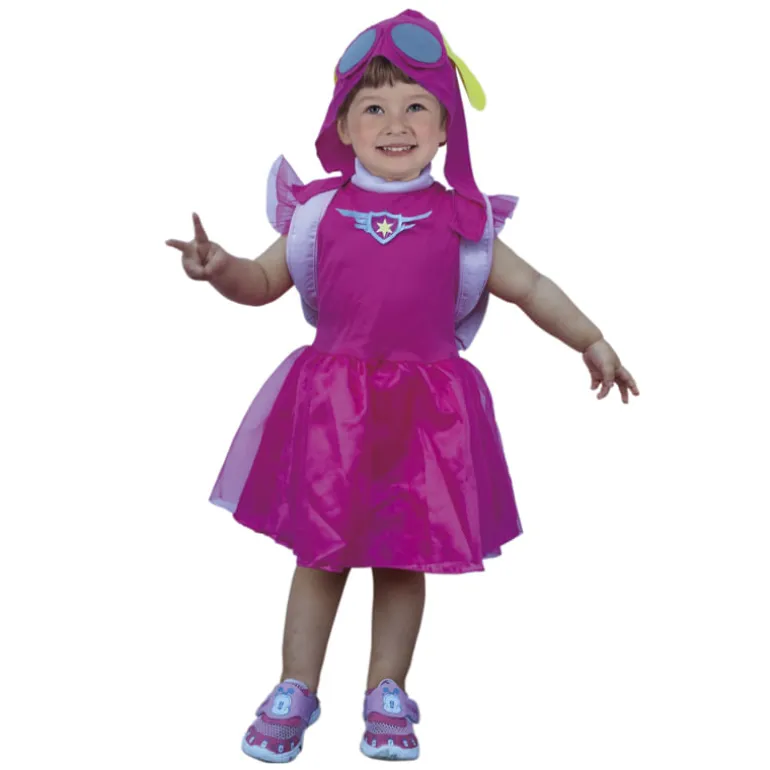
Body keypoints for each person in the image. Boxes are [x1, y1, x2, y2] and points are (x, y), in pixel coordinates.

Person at [166, 8, 639, 763]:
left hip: (424, 420)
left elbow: (532, 287)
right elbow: (261, 282)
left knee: (401, 558)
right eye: (374, 108)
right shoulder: (319, 214)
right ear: (342, 126)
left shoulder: (462, 222)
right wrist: (220, 268)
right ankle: (296, 685)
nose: (396, 123)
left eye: (417, 106)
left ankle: (387, 689)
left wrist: (591, 338)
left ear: (446, 127)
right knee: (320, 556)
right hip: (334, 414)